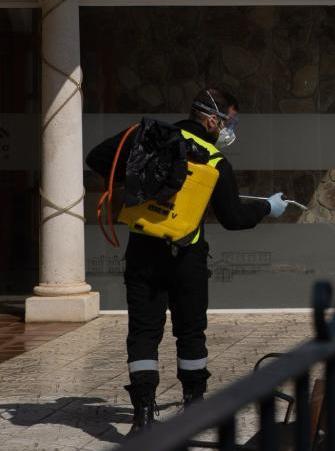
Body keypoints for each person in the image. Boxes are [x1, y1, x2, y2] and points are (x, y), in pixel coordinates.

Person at [86, 88, 287, 431]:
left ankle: (144, 415)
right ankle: (194, 407)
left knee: (143, 334)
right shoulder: (213, 160)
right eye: (229, 121)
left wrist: (138, 144)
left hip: (143, 253)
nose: (230, 129)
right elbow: (234, 217)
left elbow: (97, 159)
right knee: (190, 332)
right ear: (211, 119)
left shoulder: (151, 139)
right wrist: (269, 206)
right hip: (187, 258)